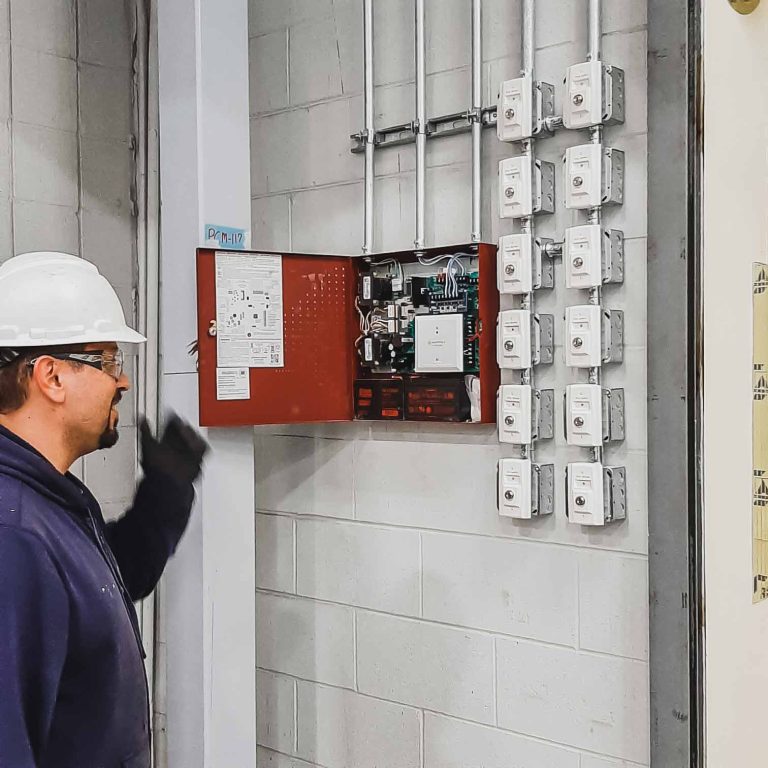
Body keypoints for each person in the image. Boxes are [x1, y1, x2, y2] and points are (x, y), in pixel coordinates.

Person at [0, 252, 208, 768]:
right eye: (109, 361)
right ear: (51, 376)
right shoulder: (13, 533)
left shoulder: (46, 495)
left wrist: (163, 496)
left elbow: (98, 592)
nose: (123, 381)